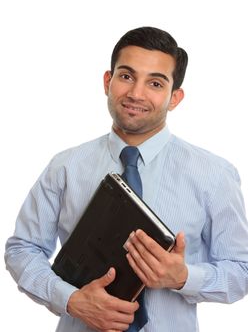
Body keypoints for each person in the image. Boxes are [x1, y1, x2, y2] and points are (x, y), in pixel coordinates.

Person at [5, 26, 248, 332]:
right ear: (108, 81)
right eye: (126, 76)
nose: (136, 93)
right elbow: (22, 249)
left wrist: (184, 277)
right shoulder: (66, 167)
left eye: (155, 83)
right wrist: (71, 300)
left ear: (175, 98)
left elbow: (242, 270)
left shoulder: (214, 175)